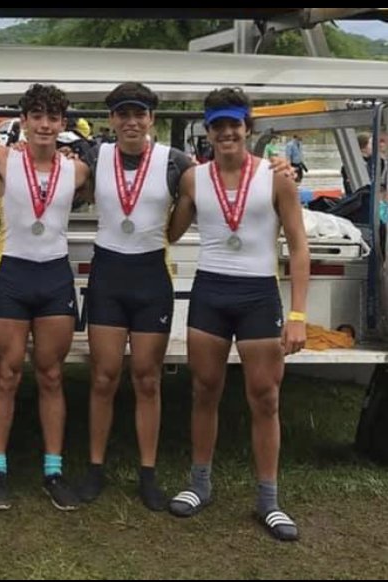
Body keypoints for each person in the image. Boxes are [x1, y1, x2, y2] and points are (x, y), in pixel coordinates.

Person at [166, 87, 308, 542]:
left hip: (257, 295)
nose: (227, 133)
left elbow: (299, 246)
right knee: (204, 390)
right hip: (210, 291)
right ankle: (199, 484)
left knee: (264, 397)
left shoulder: (276, 177)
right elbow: (170, 230)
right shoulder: (193, 179)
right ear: (207, 131)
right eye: (218, 125)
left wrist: (299, 313)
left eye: (234, 124)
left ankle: (269, 500)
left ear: (247, 128)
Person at [73, 82, 197, 511]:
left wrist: (278, 172)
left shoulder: (175, 162)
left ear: (151, 120)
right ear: (111, 120)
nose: (131, 122)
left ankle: (148, 475)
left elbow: (203, 192)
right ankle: (94, 470)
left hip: (150, 279)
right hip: (108, 275)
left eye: (139, 114)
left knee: (147, 379)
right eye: (122, 114)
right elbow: (64, 181)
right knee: (104, 377)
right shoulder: (94, 155)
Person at [0, 84, 91, 511]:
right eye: (36, 116)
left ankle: (53, 470)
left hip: (55, 277)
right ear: (24, 120)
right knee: (5, 374)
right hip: (13, 275)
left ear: (62, 124)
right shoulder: (1, 159)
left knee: (51, 375)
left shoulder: (77, 170)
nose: (44, 125)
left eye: (52, 118)